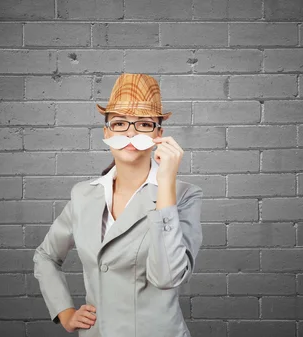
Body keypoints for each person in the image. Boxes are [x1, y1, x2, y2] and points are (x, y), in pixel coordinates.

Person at [33, 73, 203, 337]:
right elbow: (46, 256)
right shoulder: (83, 195)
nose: (131, 132)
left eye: (144, 124)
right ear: (107, 131)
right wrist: (64, 311)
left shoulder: (184, 196)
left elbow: (167, 278)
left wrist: (166, 182)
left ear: (159, 133)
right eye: (120, 123)